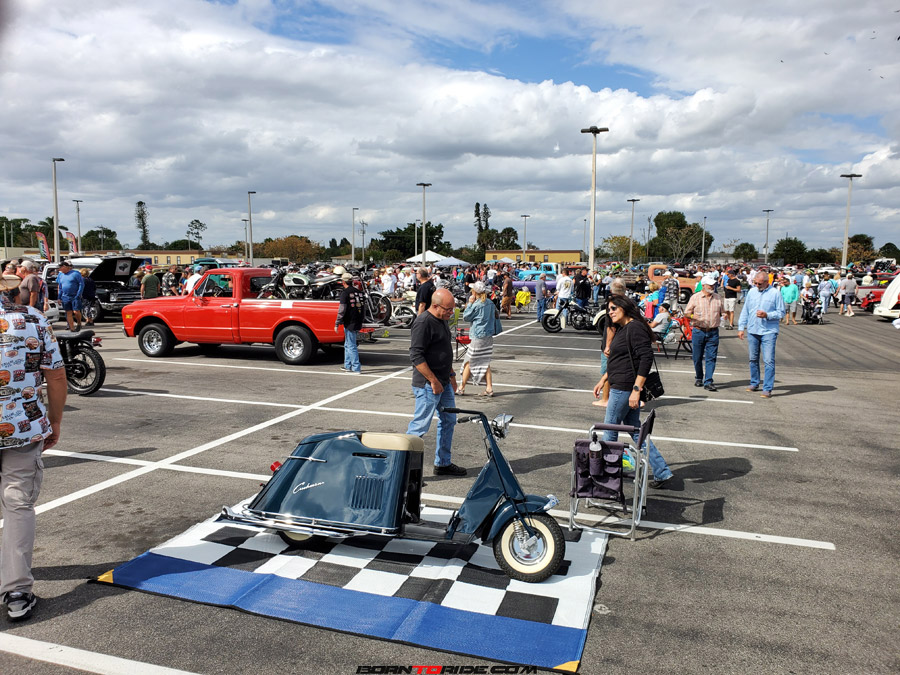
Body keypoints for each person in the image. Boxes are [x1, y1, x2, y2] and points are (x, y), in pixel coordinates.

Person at [0, 273, 67, 621]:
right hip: (22, 426)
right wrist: (55, 421)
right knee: (17, 503)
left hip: (21, 426)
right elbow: (55, 374)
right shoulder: (31, 319)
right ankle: (16, 591)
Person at [592, 294, 674, 489]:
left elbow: (646, 358)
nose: (610, 312)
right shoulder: (624, 328)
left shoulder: (635, 328)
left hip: (624, 388)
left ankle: (607, 477)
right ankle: (662, 471)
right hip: (620, 384)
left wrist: (636, 390)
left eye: (613, 308)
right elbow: (619, 360)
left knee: (610, 430)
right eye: (608, 310)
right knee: (636, 432)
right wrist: (603, 379)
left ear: (624, 307)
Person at [406, 288, 464, 477]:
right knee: (419, 426)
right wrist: (433, 380)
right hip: (428, 384)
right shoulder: (423, 322)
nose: (451, 313)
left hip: (443, 381)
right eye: (448, 309)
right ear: (436, 306)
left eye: (453, 309)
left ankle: (443, 463)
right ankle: (405, 471)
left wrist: (451, 375)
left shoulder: (442, 320)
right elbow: (416, 355)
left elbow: (444, 351)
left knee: (449, 420)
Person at [738, 271, 785, 399]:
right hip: (753, 330)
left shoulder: (775, 293)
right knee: (753, 358)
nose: (757, 285)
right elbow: (745, 310)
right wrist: (741, 327)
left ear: (766, 282)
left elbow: (781, 312)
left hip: (768, 331)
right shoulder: (752, 292)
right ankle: (754, 382)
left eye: (759, 283)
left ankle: (767, 388)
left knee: (768, 360)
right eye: (755, 283)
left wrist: (767, 315)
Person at [457, 281, 501, 397]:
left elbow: (466, 317)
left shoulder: (477, 304)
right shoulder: (490, 303)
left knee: (469, 360)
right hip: (488, 336)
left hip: (478, 336)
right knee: (485, 361)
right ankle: (489, 388)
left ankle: (461, 387)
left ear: (474, 292)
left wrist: (470, 304)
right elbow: (496, 315)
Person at [684, 275, 724, 392]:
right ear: (703, 286)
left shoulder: (718, 298)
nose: (712, 286)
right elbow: (686, 313)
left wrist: (724, 316)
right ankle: (699, 377)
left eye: (713, 284)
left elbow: (722, 312)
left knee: (711, 358)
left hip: (713, 331)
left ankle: (708, 381)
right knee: (697, 357)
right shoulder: (695, 297)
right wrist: (693, 316)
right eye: (710, 285)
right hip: (698, 330)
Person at [335, 272, 364, 374]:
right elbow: (363, 308)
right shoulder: (359, 292)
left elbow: (342, 310)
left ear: (343, 282)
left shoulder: (345, 293)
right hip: (357, 321)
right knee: (347, 345)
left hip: (350, 322)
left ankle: (356, 367)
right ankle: (347, 366)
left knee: (351, 346)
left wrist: (337, 322)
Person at [56, 260, 84, 331]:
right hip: (65, 297)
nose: (59, 269)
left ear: (64, 267)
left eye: (60, 267)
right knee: (68, 312)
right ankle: (72, 328)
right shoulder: (61, 275)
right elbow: (60, 287)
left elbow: (81, 284)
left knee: (76, 311)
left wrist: (79, 294)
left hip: (75, 296)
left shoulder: (75, 274)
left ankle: (79, 323)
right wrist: (59, 297)